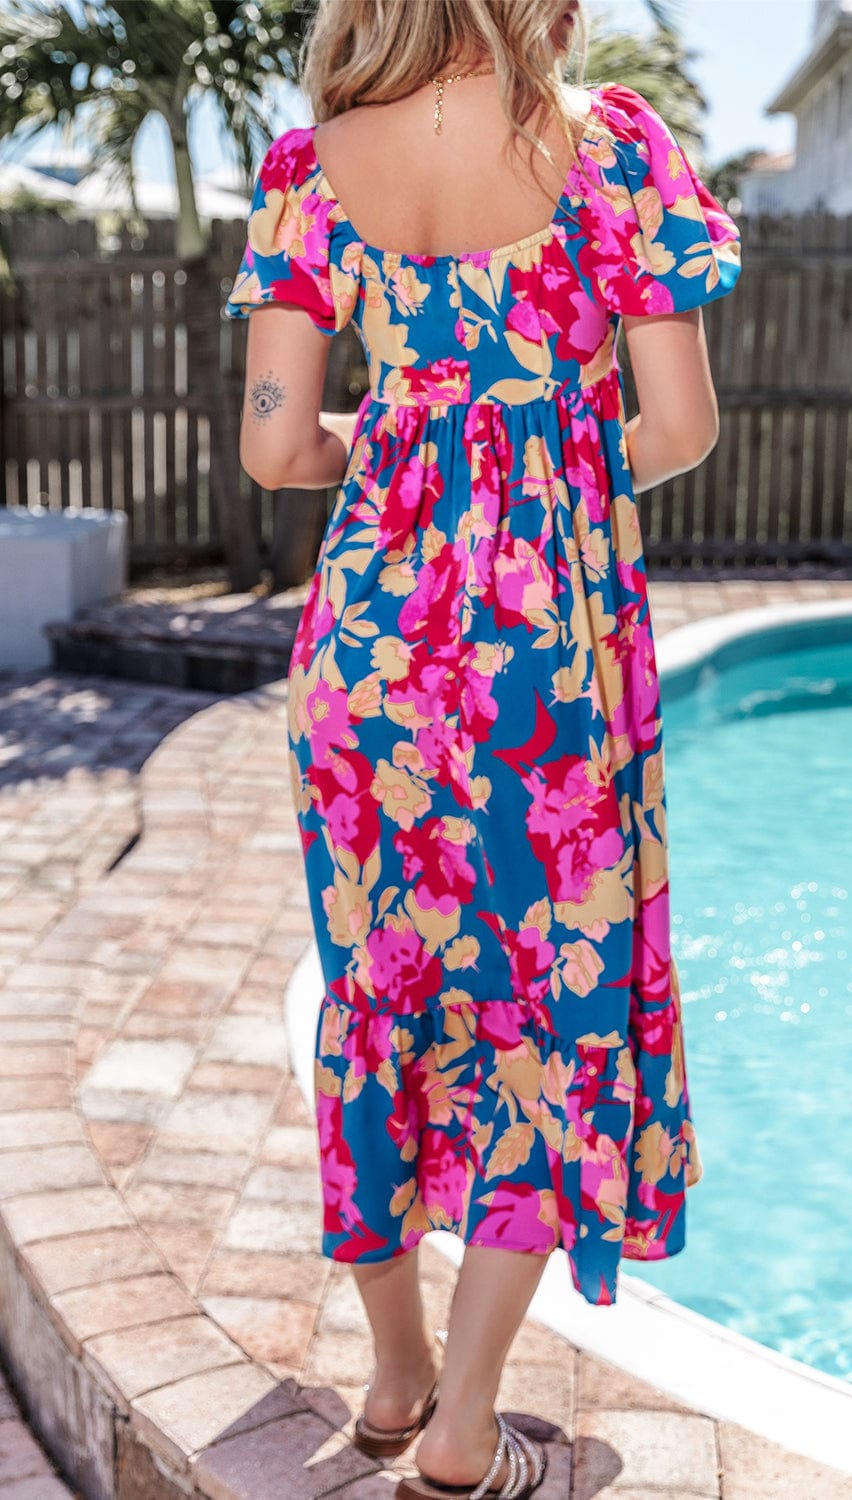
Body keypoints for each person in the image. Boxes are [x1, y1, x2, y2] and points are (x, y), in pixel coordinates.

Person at [223, 1, 741, 1495]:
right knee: (542, 1005)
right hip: (545, 656)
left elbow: (274, 446)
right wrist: (546, 464)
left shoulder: (307, 168)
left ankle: (386, 1379)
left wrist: (394, 453)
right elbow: (681, 422)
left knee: (377, 991)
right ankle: (460, 1422)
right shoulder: (612, 149)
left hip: (370, 647)